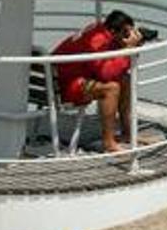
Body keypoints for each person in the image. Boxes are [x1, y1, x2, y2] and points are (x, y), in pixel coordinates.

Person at [52, 10, 145, 152]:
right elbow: (106, 74)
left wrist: (131, 47)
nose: (128, 36)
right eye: (125, 32)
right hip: (65, 85)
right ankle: (109, 143)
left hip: (65, 76)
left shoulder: (100, 30)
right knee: (111, 89)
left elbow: (107, 59)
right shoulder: (97, 40)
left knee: (125, 79)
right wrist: (128, 51)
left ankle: (128, 133)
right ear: (113, 31)